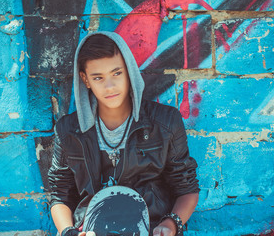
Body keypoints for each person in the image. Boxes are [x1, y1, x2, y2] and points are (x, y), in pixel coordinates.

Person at [48, 31, 200, 236]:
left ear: (129, 71)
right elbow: (59, 194)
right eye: (98, 77)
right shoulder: (68, 131)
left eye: (116, 73)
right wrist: (68, 232)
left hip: (151, 228)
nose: (109, 86)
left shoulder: (165, 122)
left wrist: (170, 224)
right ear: (85, 79)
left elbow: (187, 188)